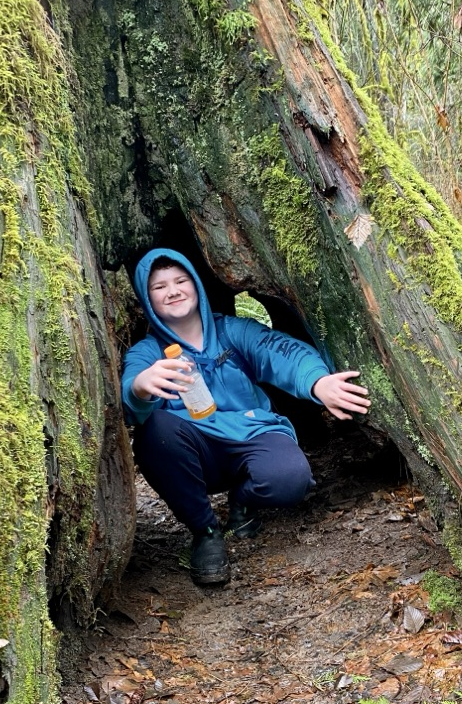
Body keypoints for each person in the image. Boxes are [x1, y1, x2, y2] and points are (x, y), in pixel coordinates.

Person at [121, 248, 371, 585]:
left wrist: (318, 381)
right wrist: (140, 385)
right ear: (147, 299)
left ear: (196, 284)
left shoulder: (232, 332)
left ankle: (243, 497)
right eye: (159, 287)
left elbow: (281, 352)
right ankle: (206, 531)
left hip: (253, 432)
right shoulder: (148, 353)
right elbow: (131, 398)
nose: (174, 290)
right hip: (196, 452)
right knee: (155, 430)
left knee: (290, 479)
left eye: (181, 280)